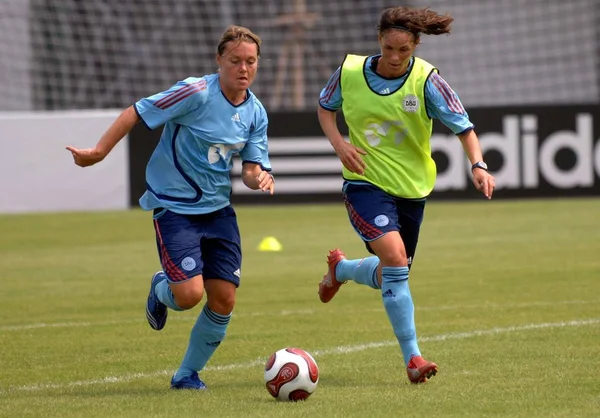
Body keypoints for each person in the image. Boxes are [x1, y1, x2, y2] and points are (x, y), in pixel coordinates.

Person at [66, 25, 274, 390]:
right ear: (219, 60)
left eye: (251, 62)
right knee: (189, 296)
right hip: (175, 207)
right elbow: (136, 111)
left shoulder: (256, 112)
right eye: (236, 60)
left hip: (218, 210)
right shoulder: (195, 92)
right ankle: (161, 288)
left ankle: (186, 375)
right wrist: (99, 152)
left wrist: (258, 178)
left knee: (224, 298)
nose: (244, 68)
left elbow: (250, 169)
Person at [317, 7, 496, 384]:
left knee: (393, 274)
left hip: (411, 190)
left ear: (415, 45)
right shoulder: (350, 72)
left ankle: (343, 269)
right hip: (364, 183)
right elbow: (325, 107)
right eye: (388, 47)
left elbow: (464, 127)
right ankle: (413, 358)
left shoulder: (427, 80)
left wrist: (478, 166)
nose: (395, 57)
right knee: (396, 258)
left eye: (403, 50)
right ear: (379, 39)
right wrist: (340, 145)